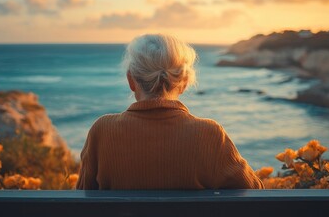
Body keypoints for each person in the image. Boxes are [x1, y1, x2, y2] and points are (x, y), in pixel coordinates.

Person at [76, 34, 264, 190]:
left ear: (131, 80)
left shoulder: (102, 131)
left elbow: (82, 198)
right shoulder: (210, 134)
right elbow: (256, 194)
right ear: (183, 83)